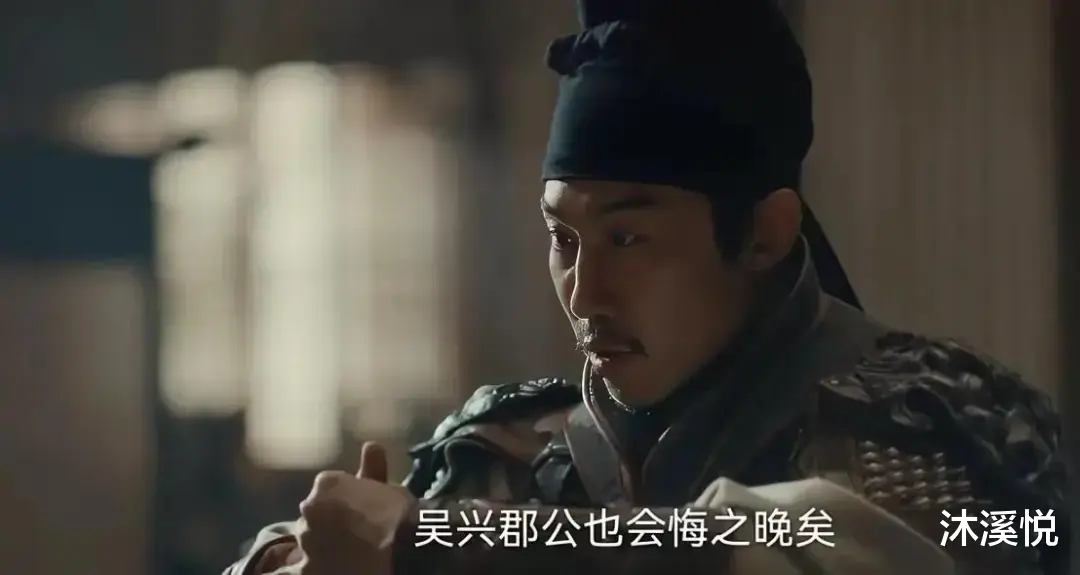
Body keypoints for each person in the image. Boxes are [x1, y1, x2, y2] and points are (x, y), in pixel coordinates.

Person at [223, 0, 1070, 573]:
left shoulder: (944, 422)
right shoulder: (501, 454)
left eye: (628, 238)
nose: (584, 292)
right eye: (564, 240)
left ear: (765, 232)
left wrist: (436, 544)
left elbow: (826, 546)